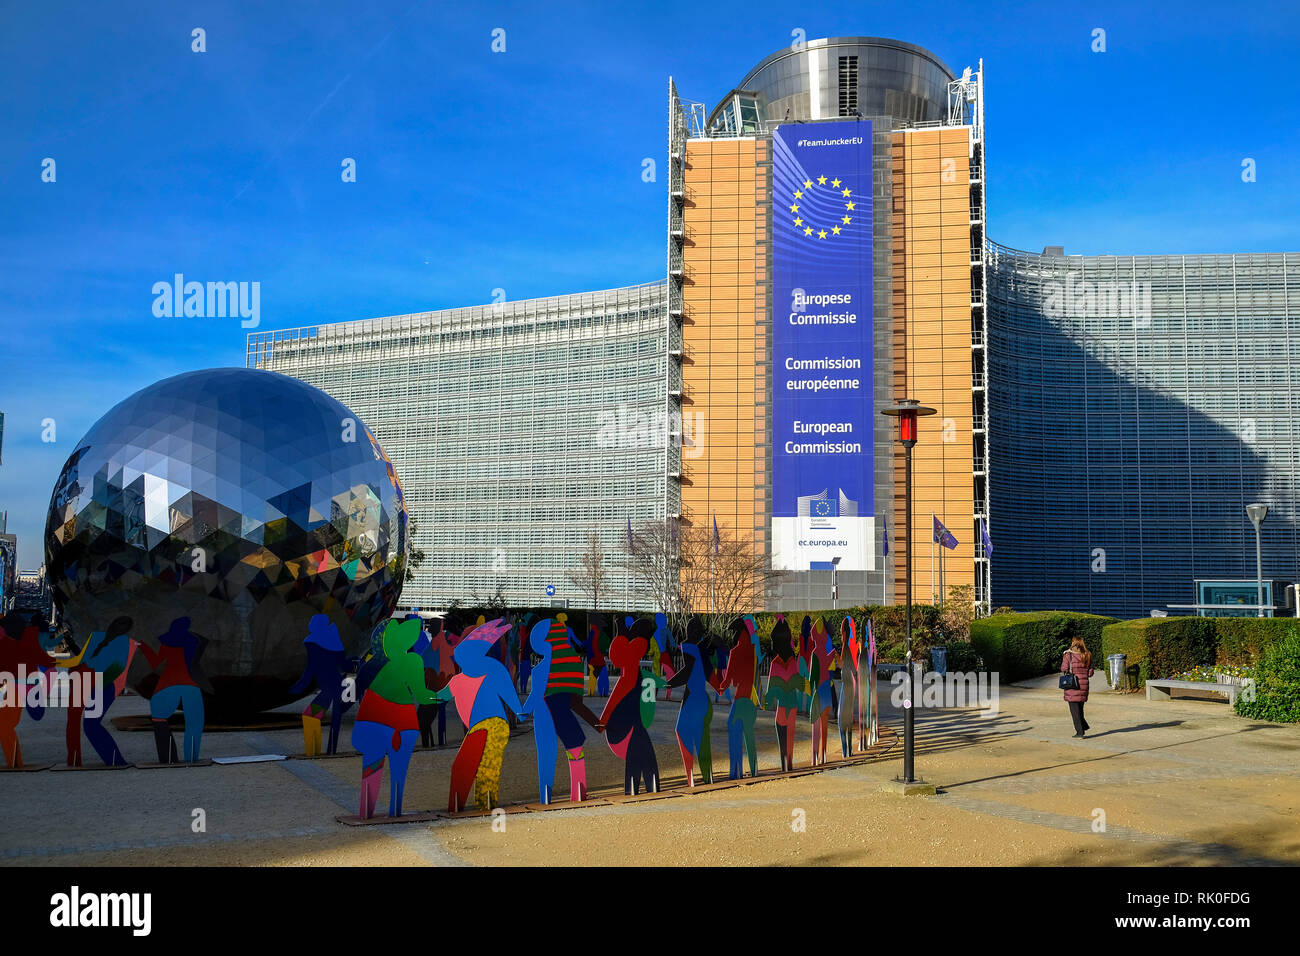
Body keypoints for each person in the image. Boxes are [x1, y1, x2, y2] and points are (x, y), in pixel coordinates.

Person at [1060, 636, 1094, 738]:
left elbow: (1063, 668)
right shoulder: (1087, 655)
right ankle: (1083, 726)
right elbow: (1090, 673)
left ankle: (1080, 732)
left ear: (1073, 643)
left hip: (1072, 685)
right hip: (1084, 685)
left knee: (1074, 711)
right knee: (1079, 709)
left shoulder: (1068, 655)